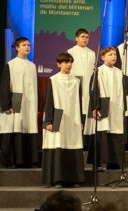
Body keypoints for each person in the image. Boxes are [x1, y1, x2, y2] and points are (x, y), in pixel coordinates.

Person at [42, 52, 84, 187]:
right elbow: (48, 101)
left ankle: (73, 179)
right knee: (58, 143)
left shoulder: (77, 81)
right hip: (58, 118)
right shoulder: (53, 80)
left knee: (72, 143)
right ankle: (57, 179)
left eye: (70, 62)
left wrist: (81, 120)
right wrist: (48, 121)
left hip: (73, 119)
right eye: (66, 62)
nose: (69, 65)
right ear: (58, 64)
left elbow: (80, 101)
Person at [0, 37, 38, 168]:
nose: (27, 47)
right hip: (15, 104)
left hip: (28, 104)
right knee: (13, 130)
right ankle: (11, 161)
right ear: (17, 48)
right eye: (24, 45)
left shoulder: (32, 65)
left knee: (27, 130)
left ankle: (28, 160)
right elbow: (5, 85)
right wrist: (6, 105)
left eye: (28, 45)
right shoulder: (11, 65)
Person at [90, 46, 128, 170]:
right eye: (110, 55)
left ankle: (115, 162)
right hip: (104, 106)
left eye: (115, 55)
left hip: (116, 108)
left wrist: (124, 107)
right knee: (103, 133)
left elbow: (123, 92)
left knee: (116, 134)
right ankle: (100, 162)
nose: (113, 57)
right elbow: (94, 90)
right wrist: (95, 107)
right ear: (103, 57)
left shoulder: (119, 72)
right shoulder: (98, 71)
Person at [65, 29, 97, 140]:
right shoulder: (70, 52)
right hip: (75, 86)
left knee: (86, 110)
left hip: (88, 86)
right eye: (82, 36)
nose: (85, 39)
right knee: (77, 109)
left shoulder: (92, 53)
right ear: (76, 38)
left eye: (87, 37)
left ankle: (86, 138)